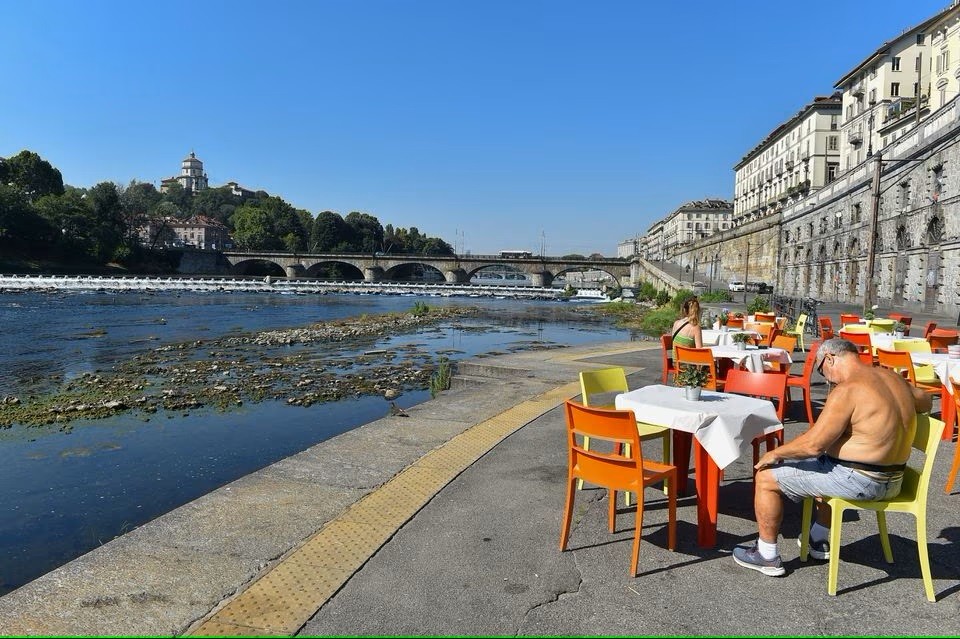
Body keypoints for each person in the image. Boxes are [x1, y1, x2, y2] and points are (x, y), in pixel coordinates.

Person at [733, 338, 932, 576]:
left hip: (861, 481)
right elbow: (926, 401)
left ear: (830, 358)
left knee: (766, 478)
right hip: (895, 482)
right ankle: (818, 539)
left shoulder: (847, 390)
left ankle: (766, 555)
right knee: (823, 465)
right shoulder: (893, 378)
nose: (826, 378)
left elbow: (814, 445)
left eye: (822, 370)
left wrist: (775, 454)